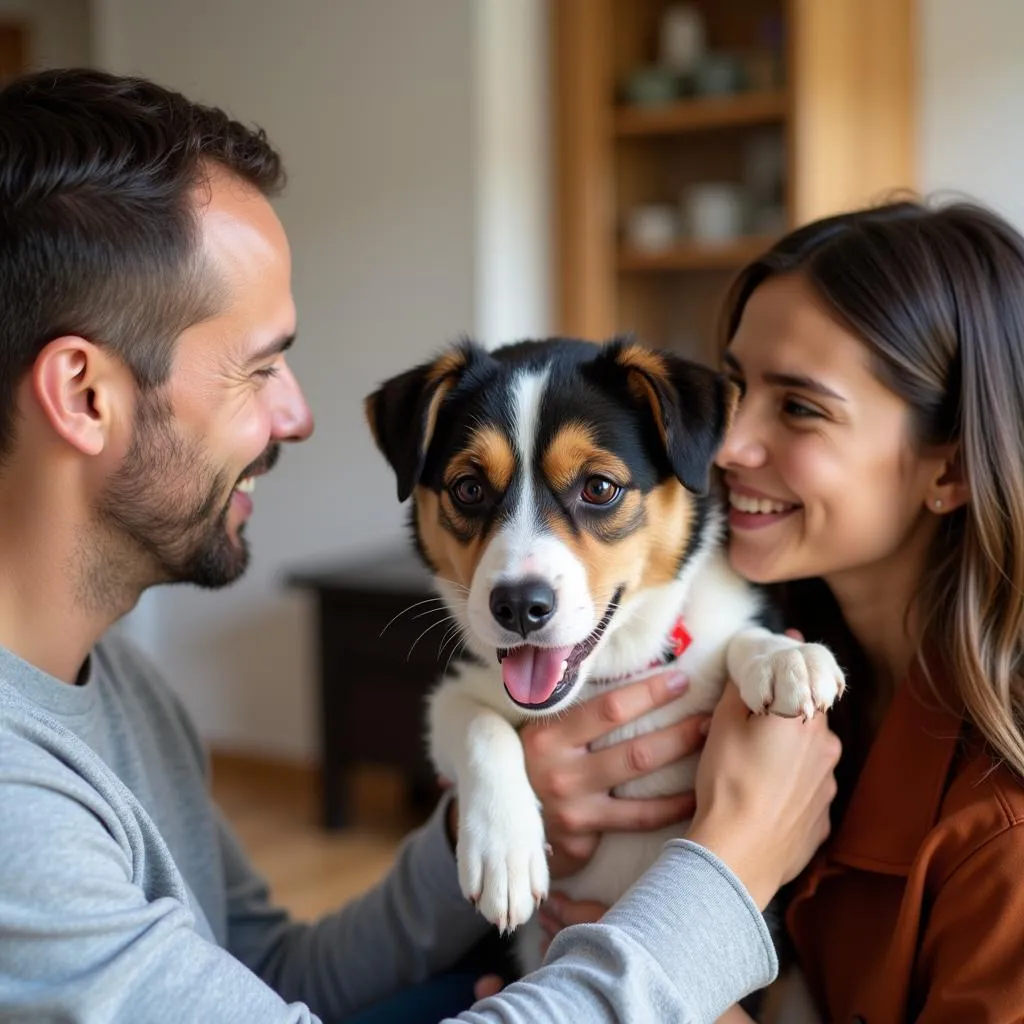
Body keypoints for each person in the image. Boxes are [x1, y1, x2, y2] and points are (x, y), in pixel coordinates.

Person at [0, 67, 840, 1023]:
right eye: (259, 367)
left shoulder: (122, 692)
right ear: (84, 394)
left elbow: (268, 974)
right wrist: (725, 876)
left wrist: (510, 817)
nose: (300, 416)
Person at [529, 199, 1024, 1022]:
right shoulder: (740, 637)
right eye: (737, 387)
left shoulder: (1001, 838)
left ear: (952, 470)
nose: (724, 445)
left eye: (798, 407)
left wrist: (669, 992)